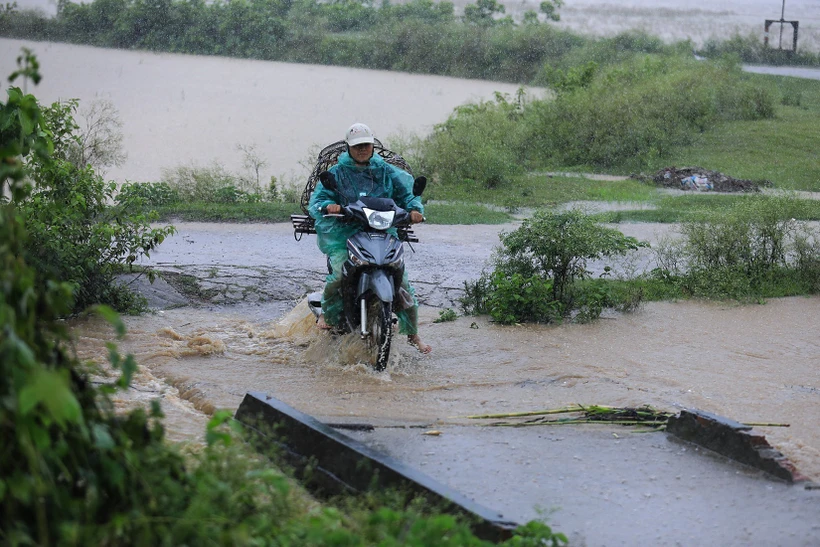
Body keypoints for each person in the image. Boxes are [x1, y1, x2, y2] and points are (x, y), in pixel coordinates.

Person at [308, 123, 431, 354]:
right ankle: (328, 313)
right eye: (357, 146)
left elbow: (407, 193)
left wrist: (414, 209)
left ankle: (413, 334)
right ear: (348, 148)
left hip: (383, 230)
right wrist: (329, 205)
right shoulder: (338, 172)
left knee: (402, 281)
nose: (362, 149)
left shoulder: (385, 170)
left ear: (372, 145)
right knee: (338, 271)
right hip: (346, 230)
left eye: (365, 144)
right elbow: (318, 199)